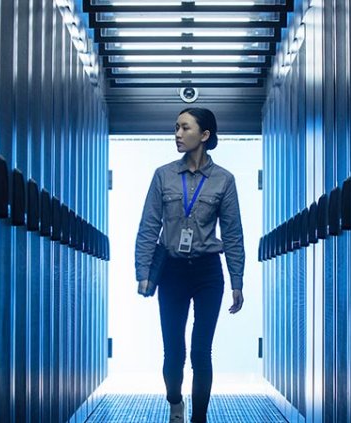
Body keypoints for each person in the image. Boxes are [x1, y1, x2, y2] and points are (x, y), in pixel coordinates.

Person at [134, 107, 245, 423]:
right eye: (176, 128)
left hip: (209, 271)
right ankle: (174, 403)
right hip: (171, 271)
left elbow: (233, 233)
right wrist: (143, 272)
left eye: (185, 128)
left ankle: (199, 419)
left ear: (205, 135)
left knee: (200, 352)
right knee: (174, 353)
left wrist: (237, 280)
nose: (178, 134)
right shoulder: (163, 175)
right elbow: (148, 226)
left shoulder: (224, 180)